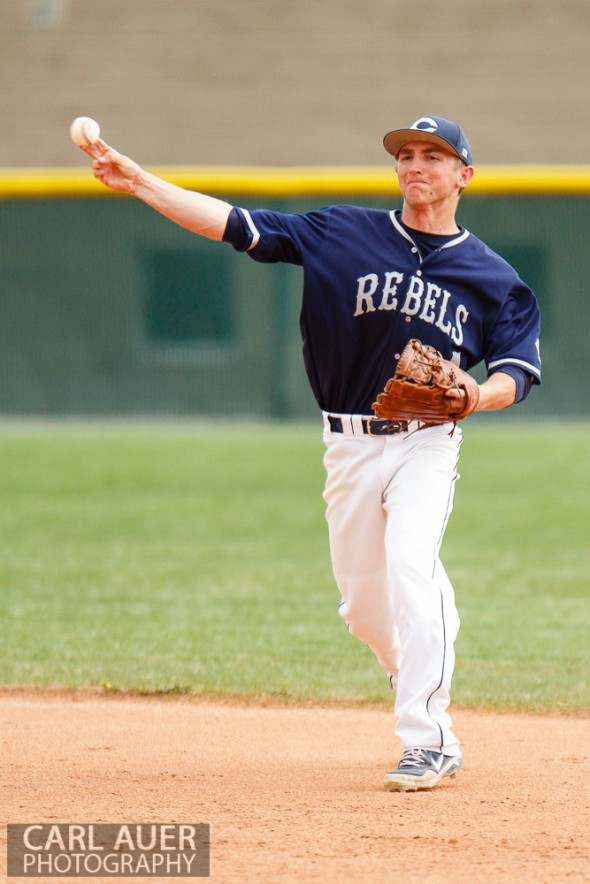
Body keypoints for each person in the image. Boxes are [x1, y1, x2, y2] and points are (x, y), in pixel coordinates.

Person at [81, 114, 541, 792]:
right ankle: (415, 659)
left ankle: (429, 738)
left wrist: (477, 396)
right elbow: (234, 224)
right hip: (346, 443)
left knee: (412, 567)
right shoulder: (341, 232)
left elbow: (517, 371)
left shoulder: (492, 276)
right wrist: (143, 182)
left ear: (462, 176)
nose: (416, 165)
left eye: (434, 156)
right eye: (406, 155)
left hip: (425, 441)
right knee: (363, 609)